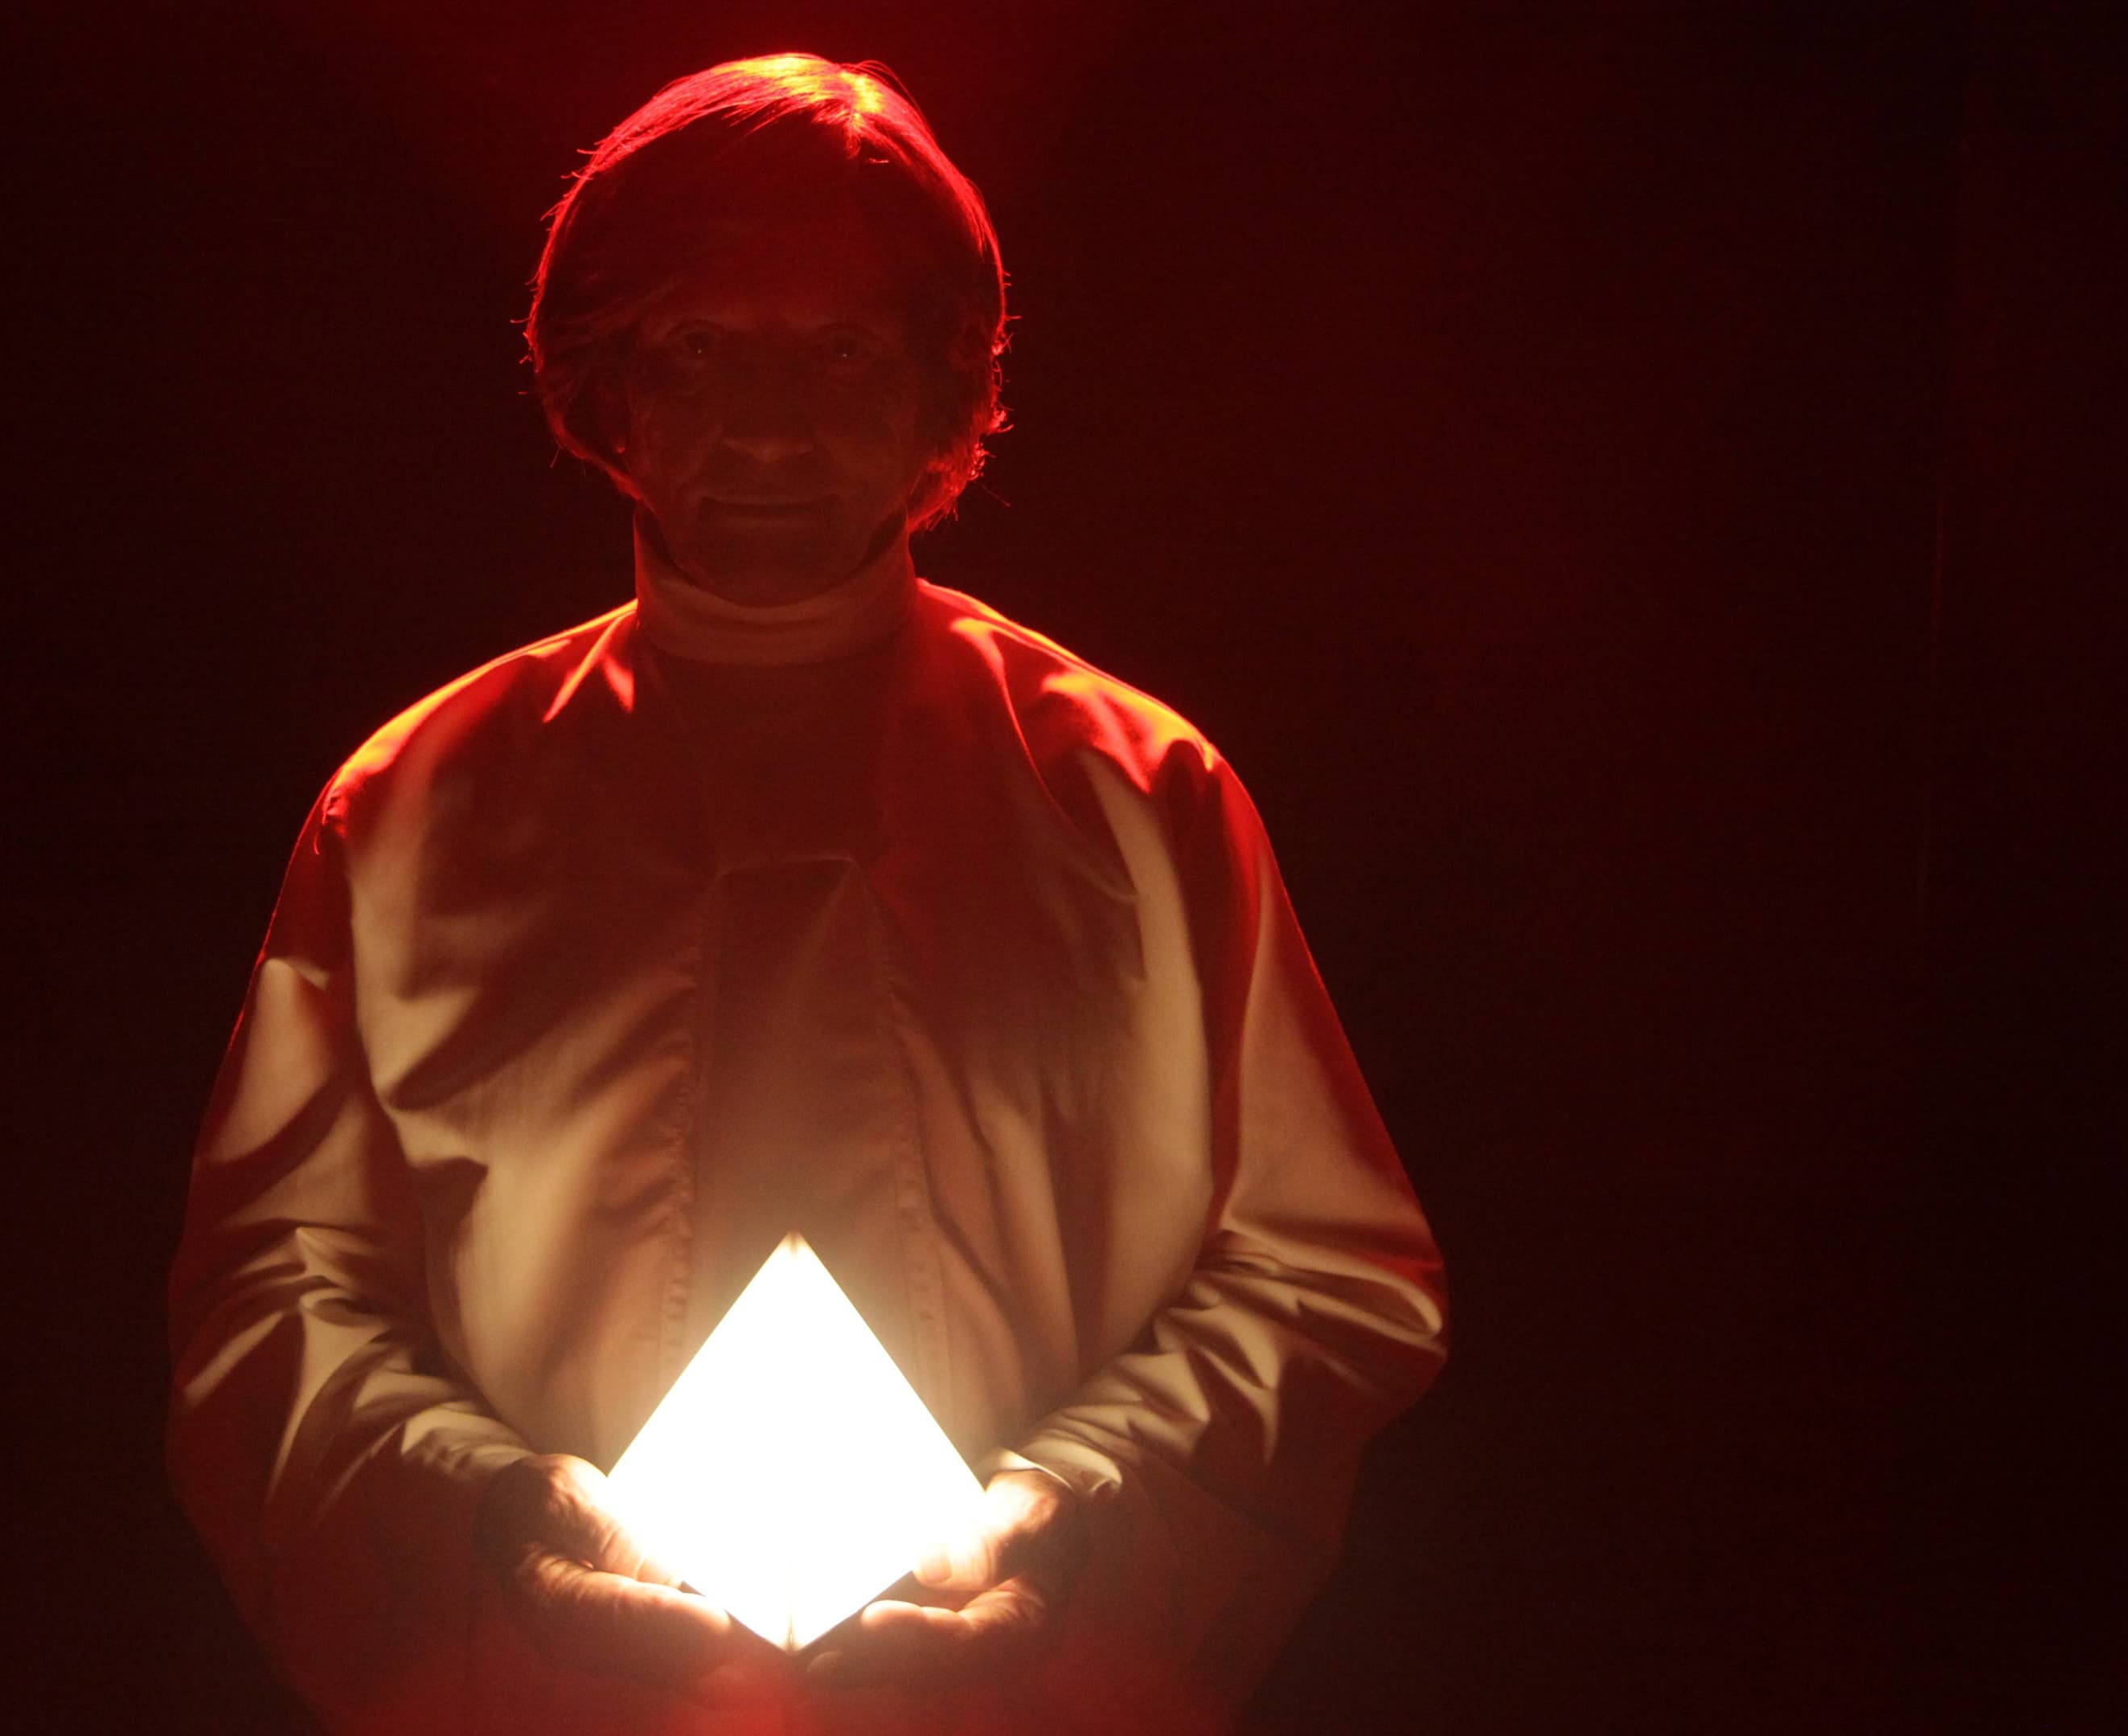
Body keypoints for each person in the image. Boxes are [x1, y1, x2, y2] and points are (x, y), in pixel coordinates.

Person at [166, 53, 1446, 1736]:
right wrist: (490, 1512)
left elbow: (1326, 1273)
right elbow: (276, 1298)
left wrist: (1069, 1503)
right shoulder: (412, 810)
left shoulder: (1141, 798)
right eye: (701, 348)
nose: (769, 425)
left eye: (840, 350)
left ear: (942, 384)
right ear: (606, 385)